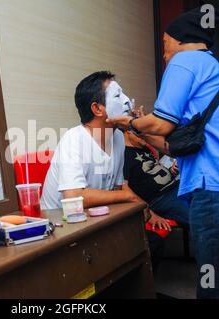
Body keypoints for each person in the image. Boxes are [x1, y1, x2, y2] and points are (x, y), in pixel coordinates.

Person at [108, 8, 219, 299]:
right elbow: (175, 144)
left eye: (165, 46)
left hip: (217, 190)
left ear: (179, 40)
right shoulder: (215, 71)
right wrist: (142, 131)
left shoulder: (184, 62)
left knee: (216, 286)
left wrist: (127, 122)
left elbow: (161, 122)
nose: (165, 56)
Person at [40, 71, 164, 271]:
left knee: (152, 243)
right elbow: (73, 196)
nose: (127, 101)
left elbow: (116, 189)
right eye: (117, 96)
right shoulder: (74, 139)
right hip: (60, 231)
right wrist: (129, 197)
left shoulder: (116, 138)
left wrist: (137, 204)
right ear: (97, 108)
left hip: (94, 222)